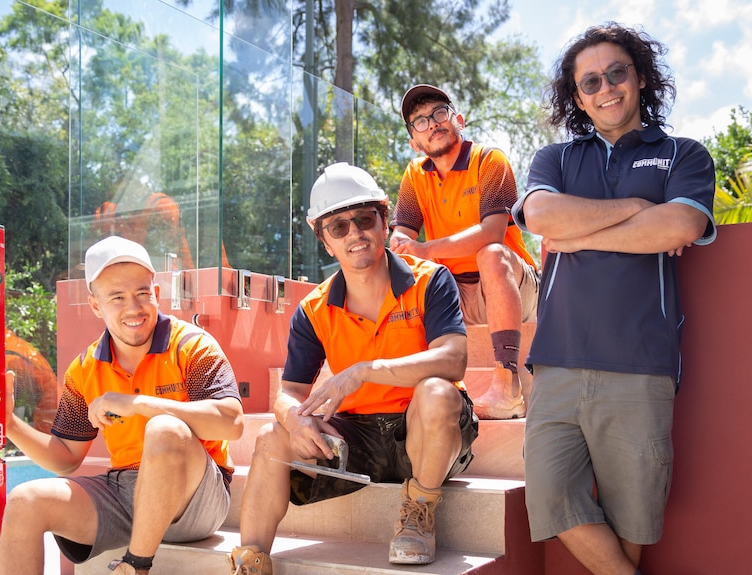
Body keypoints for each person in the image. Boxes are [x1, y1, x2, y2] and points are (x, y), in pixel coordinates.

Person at [511, 23, 716, 575]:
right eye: (591, 81)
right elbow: (541, 217)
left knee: (633, 516)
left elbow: (680, 225)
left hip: (640, 362)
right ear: (578, 96)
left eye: (617, 72)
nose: (606, 88)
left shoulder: (683, 155)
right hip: (556, 361)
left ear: (640, 77)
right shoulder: (554, 158)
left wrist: (577, 237)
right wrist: (637, 209)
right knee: (550, 493)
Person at [228, 162, 479, 573]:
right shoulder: (313, 308)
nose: (354, 233)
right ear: (325, 241)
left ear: (384, 221)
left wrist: (364, 370)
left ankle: (418, 512)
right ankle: (252, 560)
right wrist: (297, 422)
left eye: (364, 219)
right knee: (274, 434)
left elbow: (454, 358)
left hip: (429, 431)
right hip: (357, 438)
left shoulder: (430, 280)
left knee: (436, 391)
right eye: (338, 227)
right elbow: (288, 391)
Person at [0, 236, 244, 575]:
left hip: (197, 499)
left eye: (142, 293)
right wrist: (10, 423)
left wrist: (137, 404)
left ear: (156, 295)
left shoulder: (192, 345)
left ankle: (135, 566)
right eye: (117, 297)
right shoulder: (84, 368)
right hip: (125, 492)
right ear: (96, 306)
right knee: (26, 500)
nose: (134, 307)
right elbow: (65, 458)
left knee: (164, 429)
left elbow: (232, 423)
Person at [390, 84, 540, 420]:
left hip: (513, 286)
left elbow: (493, 232)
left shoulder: (489, 159)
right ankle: (416, 390)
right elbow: (401, 239)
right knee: (403, 270)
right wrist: (402, 246)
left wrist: (424, 248)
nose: (433, 123)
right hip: (456, 292)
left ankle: (508, 385)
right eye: (420, 121)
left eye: (439, 113)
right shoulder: (415, 175)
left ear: (458, 119)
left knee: (491, 252)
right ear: (414, 142)